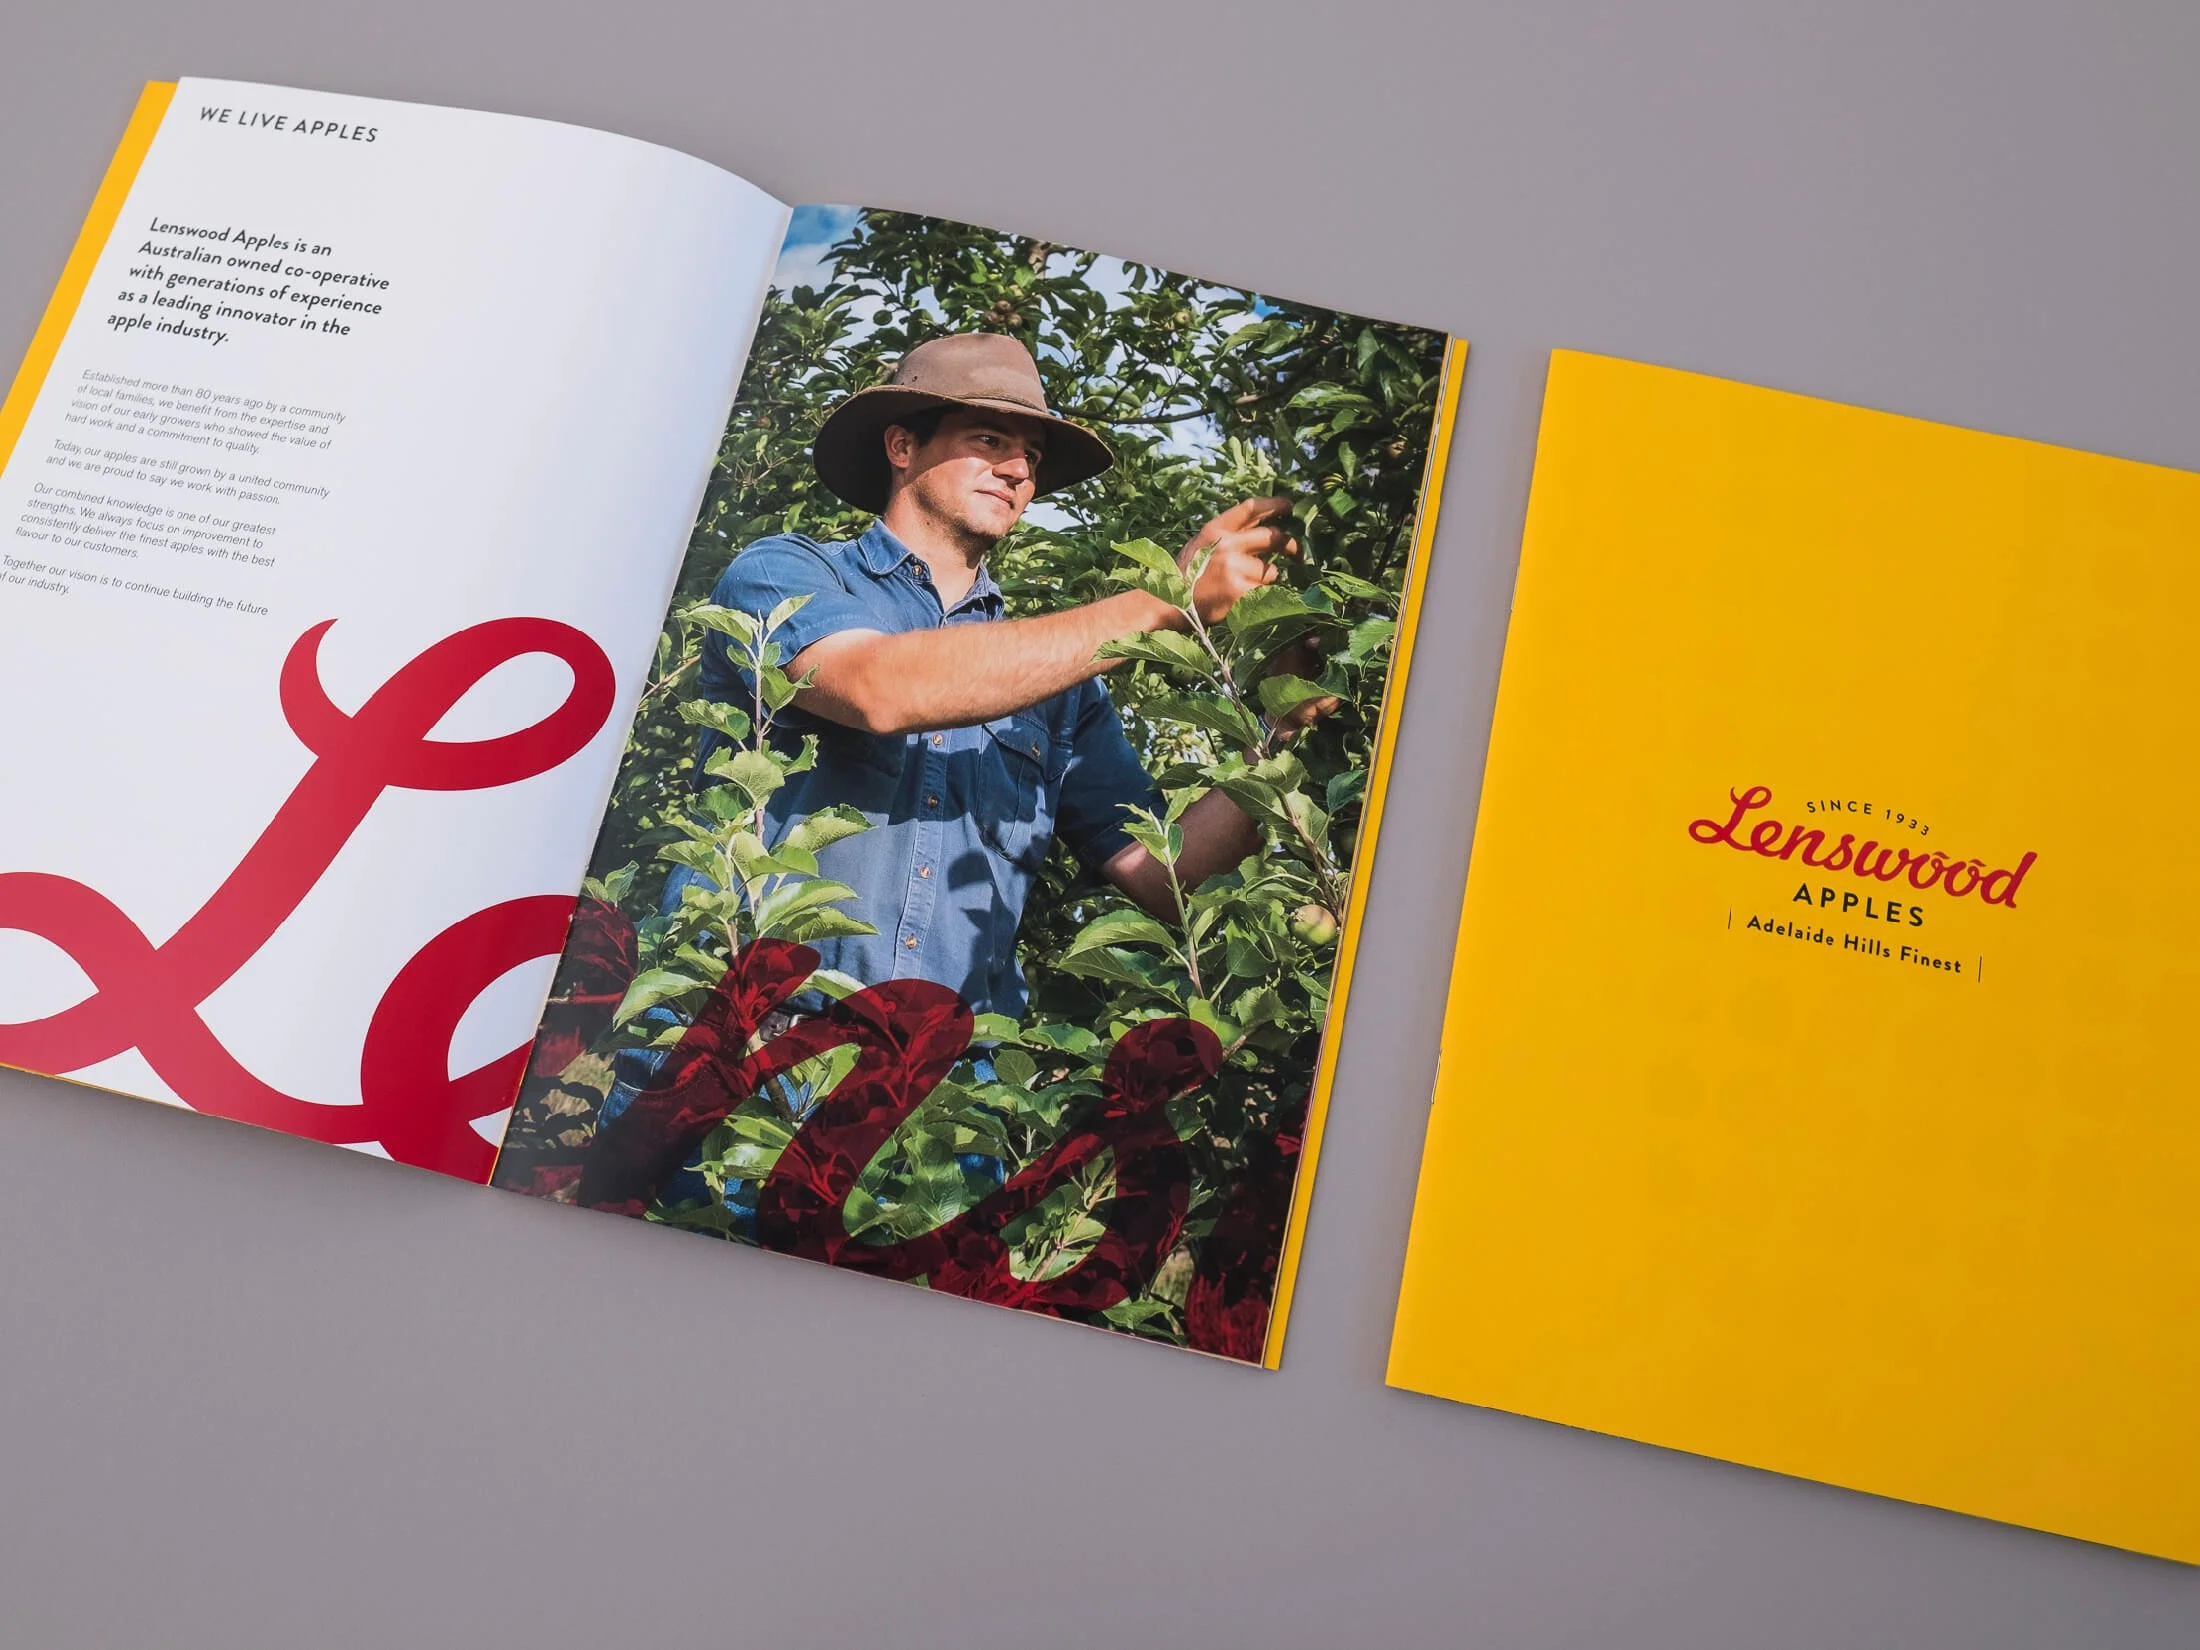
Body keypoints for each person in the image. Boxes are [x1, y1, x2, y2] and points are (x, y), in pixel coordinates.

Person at [692, 331, 1331, 1024]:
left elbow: (1171, 877)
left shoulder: (1058, 684)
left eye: (1032, 454)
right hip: (754, 1055)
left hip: (942, 1095)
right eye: (991, 439)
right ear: (902, 447)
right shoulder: (783, 573)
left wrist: (1279, 728)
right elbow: (878, 688)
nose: (1019, 469)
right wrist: (1163, 602)